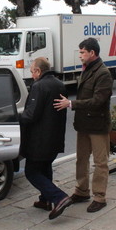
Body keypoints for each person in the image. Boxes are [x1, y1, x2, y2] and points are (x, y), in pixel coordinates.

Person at [54, 37, 113, 213]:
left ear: (92, 53)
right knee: (81, 159)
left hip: (98, 125)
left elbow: (98, 101)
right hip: (84, 125)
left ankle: (99, 197)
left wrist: (71, 104)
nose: (80, 55)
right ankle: (81, 191)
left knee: (100, 162)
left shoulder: (103, 73)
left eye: (82, 52)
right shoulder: (87, 69)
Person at [19, 57, 71, 220]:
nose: (32, 75)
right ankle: (45, 200)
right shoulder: (59, 84)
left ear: (38, 71)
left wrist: (13, 117)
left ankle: (59, 197)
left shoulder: (39, 86)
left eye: (32, 71)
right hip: (55, 138)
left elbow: (31, 115)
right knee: (45, 167)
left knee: (32, 172)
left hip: (39, 140)